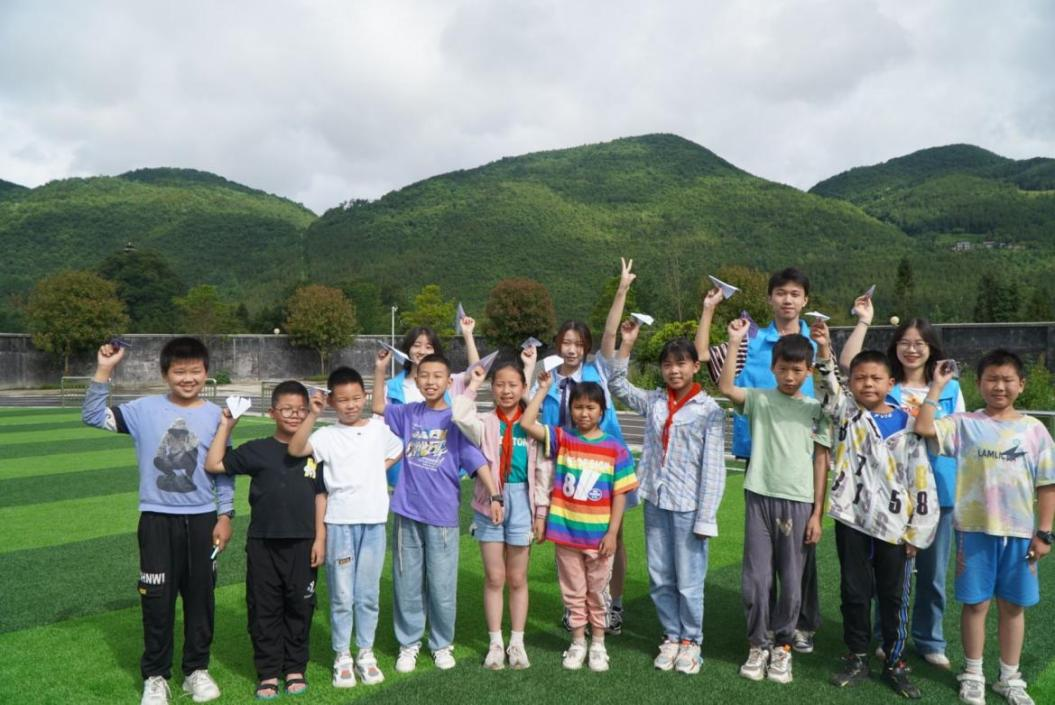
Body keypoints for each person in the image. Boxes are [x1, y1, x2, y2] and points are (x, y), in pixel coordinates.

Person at [82, 337, 232, 705]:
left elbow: (223, 469)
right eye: (179, 371)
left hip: (203, 520)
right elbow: (92, 415)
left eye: (195, 371)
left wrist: (225, 515)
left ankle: (196, 670)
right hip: (156, 520)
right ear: (165, 374)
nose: (188, 378)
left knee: (200, 600)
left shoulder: (218, 415)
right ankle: (155, 676)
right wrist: (104, 369)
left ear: (206, 373)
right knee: (157, 601)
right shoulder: (142, 410)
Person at [600, 258, 726, 674]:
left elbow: (714, 470)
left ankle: (692, 640)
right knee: (659, 575)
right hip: (656, 498)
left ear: (695, 366)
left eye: (681, 364)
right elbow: (617, 385)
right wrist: (627, 344)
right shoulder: (654, 401)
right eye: (668, 364)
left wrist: (706, 516)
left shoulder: (708, 410)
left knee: (689, 578)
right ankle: (671, 635)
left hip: (689, 505)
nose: (673, 370)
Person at [914, 349, 1055, 705]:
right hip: (974, 531)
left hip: (1020, 534)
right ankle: (973, 673)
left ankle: (1009, 678)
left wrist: (1044, 532)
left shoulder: (1035, 430)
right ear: (978, 383)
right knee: (976, 604)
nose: (999, 386)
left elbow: (1047, 484)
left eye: (1007, 380)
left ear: (1021, 385)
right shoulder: (964, 423)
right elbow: (924, 427)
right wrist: (936, 386)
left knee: (1013, 606)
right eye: (991, 379)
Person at [697, 266, 822, 653]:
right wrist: (712, 313)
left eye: (795, 293)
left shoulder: (816, 343)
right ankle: (762, 628)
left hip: (802, 457)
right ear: (770, 298)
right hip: (760, 452)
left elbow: (835, 386)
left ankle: (799, 625)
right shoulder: (752, 340)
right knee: (761, 556)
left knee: (800, 554)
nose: (787, 299)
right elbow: (708, 363)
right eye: (780, 293)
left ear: (805, 300)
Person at [811, 323, 939, 698]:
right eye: (860, 378)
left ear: (890, 383)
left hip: (895, 527)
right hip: (852, 520)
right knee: (853, 591)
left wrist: (917, 531)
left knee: (893, 595)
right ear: (851, 383)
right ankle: (856, 655)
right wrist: (823, 349)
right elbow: (826, 385)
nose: (867, 384)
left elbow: (921, 480)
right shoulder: (845, 414)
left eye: (876, 378)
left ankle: (895, 661)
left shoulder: (908, 424)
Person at [839, 305, 964, 668]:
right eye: (905, 342)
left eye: (920, 343)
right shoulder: (884, 384)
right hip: (885, 494)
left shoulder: (950, 387)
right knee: (888, 575)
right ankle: (886, 637)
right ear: (894, 346)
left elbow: (956, 434)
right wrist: (864, 320)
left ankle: (930, 640)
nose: (912, 349)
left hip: (938, 487)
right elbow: (848, 364)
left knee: (932, 574)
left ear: (931, 347)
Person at [372, 350, 501, 673]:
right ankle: (409, 643)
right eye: (424, 376)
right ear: (416, 380)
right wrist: (379, 369)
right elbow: (378, 407)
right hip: (407, 511)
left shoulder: (455, 419)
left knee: (442, 584)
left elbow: (476, 460)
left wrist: (495, 495)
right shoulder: (409, 413)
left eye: (437, 376)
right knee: (407, 581)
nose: (430, 381)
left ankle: (442, 643)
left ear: (448, 381)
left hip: (442, 515)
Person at [718, 320, 830, 685]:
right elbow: (726, 387)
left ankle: (783, 647)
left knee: (792, 581)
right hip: (759, 497)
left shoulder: (816, 409)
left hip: (798, 502)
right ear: (772, 368)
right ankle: (758, 644)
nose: (789, 376)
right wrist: (734, 341)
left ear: (809, 371)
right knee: (756, 578)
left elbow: (821, 461)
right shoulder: (760, 399)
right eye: (783, 369)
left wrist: (817, 512)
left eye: (797, 370)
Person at [203, 381, 326, 699]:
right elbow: (214, 464)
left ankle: (295, 667)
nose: (295, 415)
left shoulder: (317, 449)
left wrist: (320, 538)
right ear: (272, 412)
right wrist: (227, 426)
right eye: (287, 409)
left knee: (300, 606)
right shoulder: (258, 449)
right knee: (264, 608)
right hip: (263, 543)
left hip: (303, 543)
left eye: (300, 409)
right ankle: (269, 672)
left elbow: (321, 496)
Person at [286, 367, 403, 688]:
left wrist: (377, 470)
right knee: (341, 595)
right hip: (339, 522)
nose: (350, 405)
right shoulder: (326, 435)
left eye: (355, 398)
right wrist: (312, 414)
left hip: (374, 521)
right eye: (343, 400)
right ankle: (342, 655)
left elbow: (398, 449)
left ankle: (365, 652)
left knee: (368, 593)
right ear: (332, 402)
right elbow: (295, 449)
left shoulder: (378, 430)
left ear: (364, 397)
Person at [521, 372, 638, 672]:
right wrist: (542, 389)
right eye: (578, 407)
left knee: (597, 592)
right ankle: (577, 641)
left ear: (602, 411)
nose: (584, 413)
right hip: (567, 534)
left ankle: (598, 642)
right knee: (572, 591)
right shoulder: (563, 438)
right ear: (570, 409)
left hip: (599, 538)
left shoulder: (615, 448)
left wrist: (613, 533)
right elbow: (527, 423)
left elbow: (620, 494)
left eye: (590, 407)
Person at [452, 347, 553, 670]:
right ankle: (495, 642)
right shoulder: (484, 423)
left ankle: (517, 643)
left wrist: (540, 513)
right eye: (499, 385)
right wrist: (473, 383)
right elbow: (459, 415)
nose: (506, 391)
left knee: (518, 577)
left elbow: (543, 472)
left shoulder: (531, 426)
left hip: (523, 500)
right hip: (489, 502)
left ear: (523, 388)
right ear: (492, 388)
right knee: (495, 577)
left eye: (513, 385)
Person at [538, 317, 633, 635]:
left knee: (613, 537)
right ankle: (574, 608)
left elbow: (610, 333)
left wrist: (621, 292)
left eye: (578, 344)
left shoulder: (597, 371)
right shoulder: (549, 379)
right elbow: (532, 413)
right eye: (566, 342)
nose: (572, 349)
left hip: (604, 466)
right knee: (569, 537)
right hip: (567, 469)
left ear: (587, 348)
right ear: (557, 345)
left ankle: (613, 605)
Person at [382, 318, 479, 486]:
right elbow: (381, 427)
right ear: (408, 349)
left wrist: (468, 334)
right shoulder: (391, 388)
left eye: (428, 347)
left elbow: (476, 372)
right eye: (417, 345)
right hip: (405, 472)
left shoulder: (447, 382)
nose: (422, 351)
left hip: (441, 471)